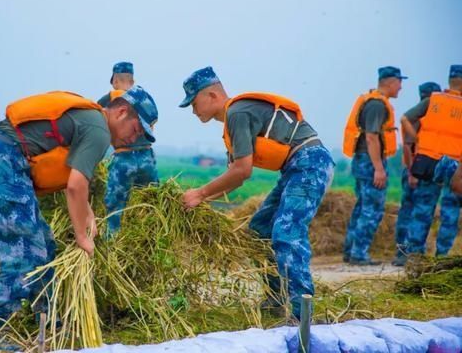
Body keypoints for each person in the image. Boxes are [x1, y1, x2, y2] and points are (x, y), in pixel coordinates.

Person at [0, 87, 157, 350]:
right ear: (122, 112)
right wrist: (82, 238)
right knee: (23, 253)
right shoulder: (100, 131)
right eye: (135, 130)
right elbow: (75, 187)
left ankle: (48, 321)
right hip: (1, 163)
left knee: (43, 244)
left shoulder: (93, 122)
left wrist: (88, 214)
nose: (133, 139)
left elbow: (77, 182)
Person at [178, 66, 334, 320]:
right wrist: (201, 200)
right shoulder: (232, 123)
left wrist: (199, 193)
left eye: (194, 103)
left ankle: (302, 314)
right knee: (259, 229)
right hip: (294, 169)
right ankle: (275, 299)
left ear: (212, 96)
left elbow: (242, 171)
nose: (193, 111)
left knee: (287, 232)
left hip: (310, 162)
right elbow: (235, 179)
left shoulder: (238, 113)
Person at [399, 65, 462, 263]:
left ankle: (414, 257)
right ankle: (443, 259)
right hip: (455, 165)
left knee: (422, 210)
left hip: (428, 161)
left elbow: (405, 118)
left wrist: (417, 140)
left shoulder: (434, 99)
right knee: (450, 212)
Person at [342, 66, 404, 265]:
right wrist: (378, 168)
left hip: (363, 160)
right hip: (370, 162)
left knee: (362, 207)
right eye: (399, 82)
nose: (401, 88)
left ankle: (351, 251)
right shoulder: (377, 105)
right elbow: (371, 137)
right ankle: (359, 254)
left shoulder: (372, 101)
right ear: (391, 82)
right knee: (372, 209)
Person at [97, 62, 159, 237]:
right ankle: (151, 238)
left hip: (123, 159)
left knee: (115, 206)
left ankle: (113, 243)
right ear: (132, 81)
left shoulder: (108, 100)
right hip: (146, 156)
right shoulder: (144, 99)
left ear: (115, 81)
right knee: (151, 201)